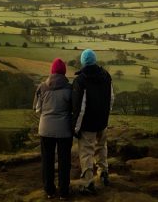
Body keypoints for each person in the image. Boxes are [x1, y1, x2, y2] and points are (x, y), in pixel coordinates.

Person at [72, 48, 114, 194]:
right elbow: (111, 98)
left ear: (83, 62)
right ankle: (104, 174)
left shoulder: (81, 80)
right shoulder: (106, 76)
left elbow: (80, 108)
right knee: (102, 147)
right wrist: (106, 115)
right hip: (102, 121)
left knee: (86, 152)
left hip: (87, 124)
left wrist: (76, 128)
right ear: (95, 60)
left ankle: (88, 183)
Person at [34, 58, 74, 200]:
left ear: (51, 71)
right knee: (64, 161)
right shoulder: (70, 88)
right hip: (65, 130)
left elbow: (37, 109)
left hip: (45, 129)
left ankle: (49, 190)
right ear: (64, 72)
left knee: (47, 160)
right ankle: (64, 192)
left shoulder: (42, 87)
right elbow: (73, 109)